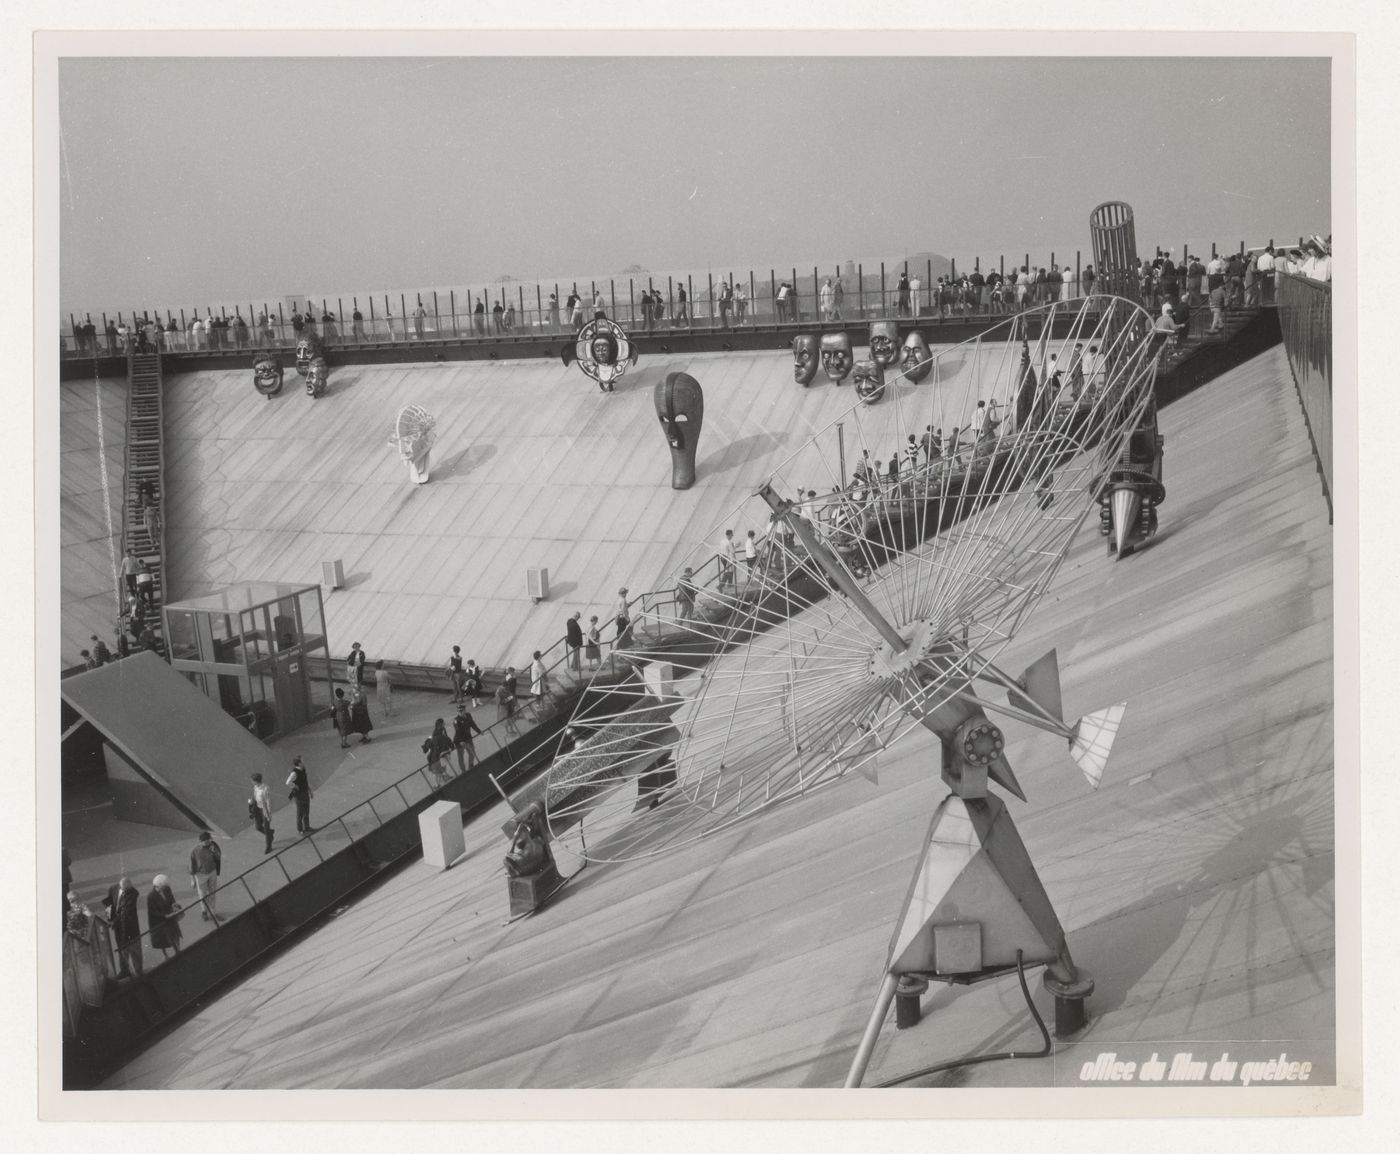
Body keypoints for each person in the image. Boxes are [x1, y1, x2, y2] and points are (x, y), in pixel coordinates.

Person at [102, 877, 143, 978]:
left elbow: (125, 912)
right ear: (120, 886)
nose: (125, 892)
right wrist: (109, 917)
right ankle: (124, 970)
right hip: (119, 927)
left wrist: (113, 922)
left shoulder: (133, 893)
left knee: (134, 949)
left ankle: (139, 972)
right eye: (124, 890)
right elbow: (109, 903)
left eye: (127, 890)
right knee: (121, 949)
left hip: (130, 927)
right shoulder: (114, 888)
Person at [187, 830, 222, 922]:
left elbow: (218, 857)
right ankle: (204, 911)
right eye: (206, 841)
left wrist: (214, 852)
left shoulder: (213, 846)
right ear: (201, 841)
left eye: (209, 840)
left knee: (212, 892)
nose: (208, 842)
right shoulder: (195, 851)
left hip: (212, 872)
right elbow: (191, 866)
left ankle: (213, 911)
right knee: (202, 895)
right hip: (200, 875)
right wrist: (192, 880)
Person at [147, 875, 183, 959]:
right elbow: (153, 911)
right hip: (159, 920)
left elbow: (172, 898)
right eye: (163, 886)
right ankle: (166, 956)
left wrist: (174, 904)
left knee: (175, 934)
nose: (165, 888)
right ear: (158, 886)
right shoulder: (151, 896)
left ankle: (178, 951)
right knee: (163, 939)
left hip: (170, 916)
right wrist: (164, 916)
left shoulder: (167, 889)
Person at [286, 757, 314, 834]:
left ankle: (307, 827)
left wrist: (310, 791)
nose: (303, 762)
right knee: (300, 812)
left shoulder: (303, 769)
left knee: (306, 811)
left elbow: (305, 781)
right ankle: (300, 829)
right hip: (299, 795)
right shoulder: (294, 773)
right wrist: (295, 786)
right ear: (299, 763)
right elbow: (288, 782)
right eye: (302, 761)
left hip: (305, 792)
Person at [452, 707, 482, 774]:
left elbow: (472, 724)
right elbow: (458, 731)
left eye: (461, 711)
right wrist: (461, 741)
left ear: (464, 710)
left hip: (468, 738)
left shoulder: (468, 715)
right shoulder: (456, 720)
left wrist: (479, 731)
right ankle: (463, 771)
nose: (460, 712)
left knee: (472, 753)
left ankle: (470, 767)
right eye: (459, 711)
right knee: (461, 756)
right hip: (459, 741)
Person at [251, 772, 274, 853]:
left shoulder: (265, 789)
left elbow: (268, 802)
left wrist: (269, 814)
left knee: (266, 828)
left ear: (256, 781)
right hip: (257, 809)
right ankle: (270, 833)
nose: (251, 782)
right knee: (258, 827)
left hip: (264, 810)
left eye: (252, 781)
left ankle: (269, 846)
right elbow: (254, 796)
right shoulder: (255, 787)